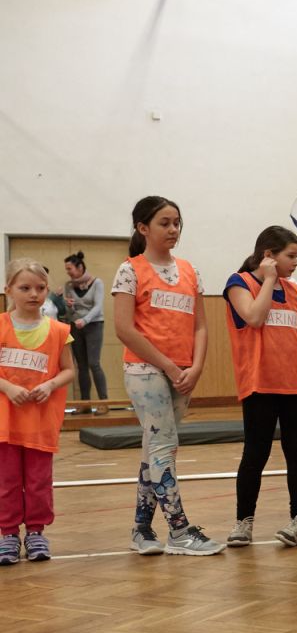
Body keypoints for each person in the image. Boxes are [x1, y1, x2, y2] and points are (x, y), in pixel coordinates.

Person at [113, 196, 223, 555]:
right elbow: (124, 329)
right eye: (165, 223)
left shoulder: (190, 271)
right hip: (145, 370)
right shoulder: (129, 270)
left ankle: (141, 529)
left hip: (182, 373)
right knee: (163, 446)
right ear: (143, 228)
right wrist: (170, 366)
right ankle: (179, 531)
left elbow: (201, 326)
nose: (173, 229)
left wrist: (196, 367)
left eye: (177, 222)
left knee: (155, 448)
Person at [223, 226, 297, 549]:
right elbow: (253, 317)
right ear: (268, 255)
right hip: (260, 384)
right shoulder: (240, 283)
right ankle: (244, 522)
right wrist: (268, 279)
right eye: (290, 256)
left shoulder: (296, 292)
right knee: (256, 453)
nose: (296, 262)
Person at [0, 260, 75, 564]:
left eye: (40, 288)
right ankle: (8, 534)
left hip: (40, 424)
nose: (34, 294)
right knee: (6, 481)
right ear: (9, 290)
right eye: (25, 288)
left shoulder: (59, 331)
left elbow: (69, 370)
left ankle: (35, 532)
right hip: (5, 424)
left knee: (38, 483)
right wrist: (8, 387)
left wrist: (50, 384)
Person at [63, 251, 110, 411]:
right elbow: (69, 312)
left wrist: (85, 320)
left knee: (93, 363)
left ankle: (104, 403)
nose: (68, 272)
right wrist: (69, 307)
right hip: (75, 326)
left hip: (94, 324)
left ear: (80, 267)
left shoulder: (97, 283)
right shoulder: (69, 286)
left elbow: (98, 306)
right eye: (66, 269)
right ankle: (85, 405)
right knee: (81, 366)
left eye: (69, 268)